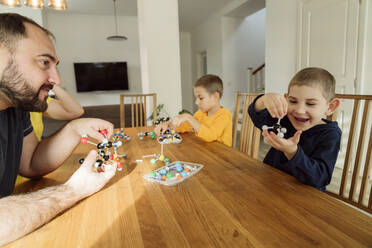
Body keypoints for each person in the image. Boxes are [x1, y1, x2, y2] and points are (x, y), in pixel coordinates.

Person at [0, 13, 116, 245]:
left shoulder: (16, 106)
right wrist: (72, 190)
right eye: (44, 62)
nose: (57, 79)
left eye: (55, 65)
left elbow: (31, 163)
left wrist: (74, 130)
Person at [248, 67, 341, 191]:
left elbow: (320, 177)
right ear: (286, 99)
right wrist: (263, 100)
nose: (299, 110)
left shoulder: (330, 134)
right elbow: (257, 116)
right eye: (293, 101)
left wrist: (292, 152)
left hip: (305, 198)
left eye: (310, 103)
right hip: (271, 185)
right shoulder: (285, 119)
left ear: (330, 107)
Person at [155, 74, 232, 147]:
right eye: (196, 98)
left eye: (201, 98)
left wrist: (188, 117)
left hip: (221, 157)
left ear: (215, 96)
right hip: (205, 151)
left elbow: (210, 136)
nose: (196, 102)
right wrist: (168, 125)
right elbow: (185, 127)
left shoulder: (224, 116)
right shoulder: (201, 113)